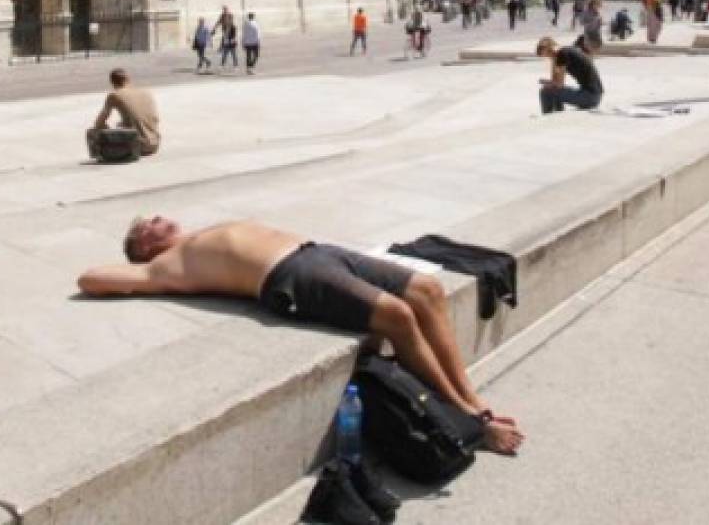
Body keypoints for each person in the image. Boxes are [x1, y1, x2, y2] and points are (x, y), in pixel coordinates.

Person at [78, 217, 525, 455]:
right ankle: (471, 420)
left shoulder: (198, 234)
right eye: (147, 226)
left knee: (427, 290)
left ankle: (473, 398)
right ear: (146, 249)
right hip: (288, 276)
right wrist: (137, 268)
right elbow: (90, 278)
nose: (158, 218)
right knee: (396, 316)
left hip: (318, 252)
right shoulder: (163, 268)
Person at [86, 68, 161, 161]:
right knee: (121, 125)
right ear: (128, 79)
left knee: (92, 132)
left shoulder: (114, 95)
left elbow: (98, 123)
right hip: (155, 144)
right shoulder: (146, 92)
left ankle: (101, 155)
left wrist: (103, 126)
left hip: (137, 147)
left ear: (112, 83)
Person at [535, 36, 604, 115]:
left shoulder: (562, 54)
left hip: (590, 97)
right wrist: (553, 61)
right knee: (552, 90)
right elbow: (555, 82)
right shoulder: (565, 51)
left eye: (547, 54)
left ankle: (548, 118)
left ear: (550, 49)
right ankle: (557, 115)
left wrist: (545, 82)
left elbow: (559, 84)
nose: (548, 57)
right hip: (595, 95)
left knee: (545, 92)